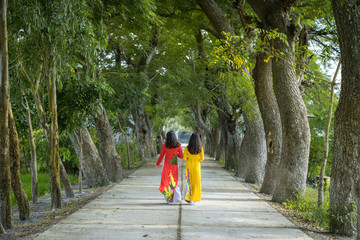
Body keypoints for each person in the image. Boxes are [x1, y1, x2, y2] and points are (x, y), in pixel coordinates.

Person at [156, 131, 183, 204]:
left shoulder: (165, 146)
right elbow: (181, 156)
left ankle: (169, 199)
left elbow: (161, 156)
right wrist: (175, 154)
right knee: (174, 181)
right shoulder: (178, 146)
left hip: (166, 165)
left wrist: (157, 164)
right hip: (174, 165)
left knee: (166, 182)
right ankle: (176, 198)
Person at [183, 133, 204, 205]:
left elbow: (184, 158)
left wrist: (189, 158)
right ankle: (195, 199)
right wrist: (196, 158)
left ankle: (189, 198)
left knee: (189, 182)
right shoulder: (200, 148)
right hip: (196, 167)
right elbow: (202, 159)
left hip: (189, 167)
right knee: (196, 183)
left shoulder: (187, 148)